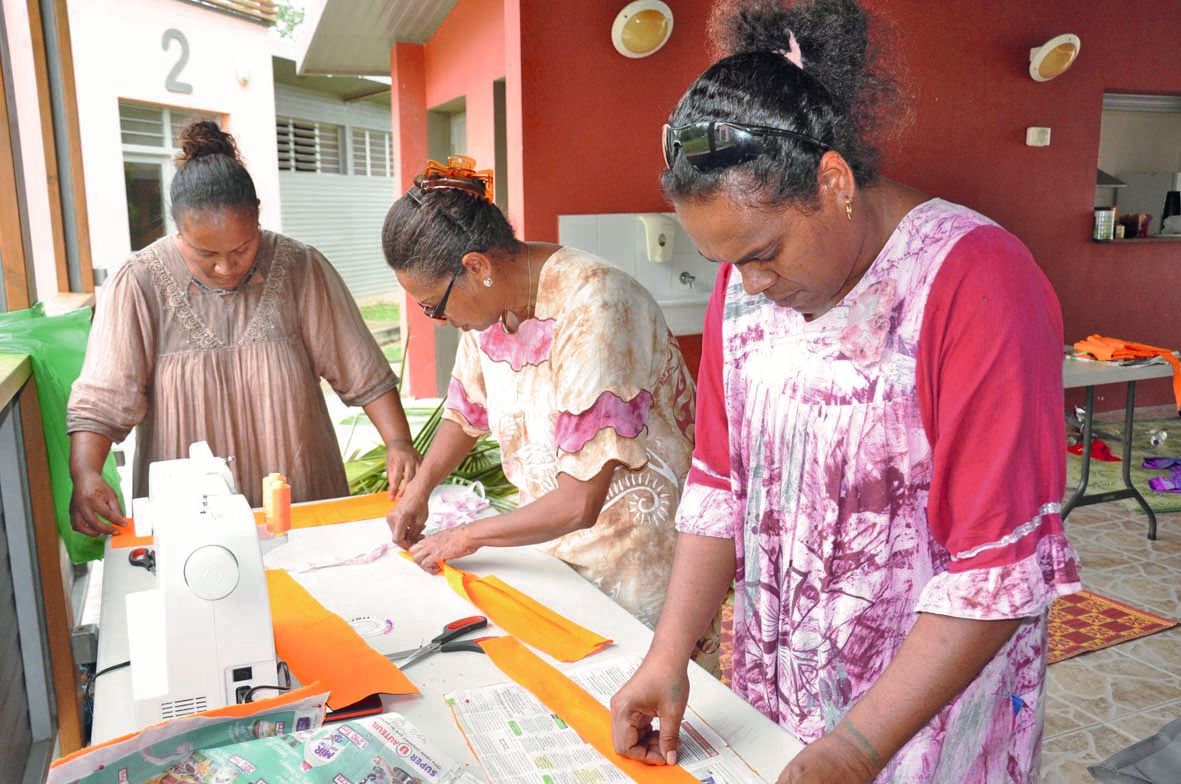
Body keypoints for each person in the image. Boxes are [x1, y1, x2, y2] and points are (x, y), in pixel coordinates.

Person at [609, 2, 1081, 782]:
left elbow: (997, 567)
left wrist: (857, 748)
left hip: (919, 720)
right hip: (777, 695)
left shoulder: (973, 281)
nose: (750, 285)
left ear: (832, 183)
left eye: (763, 252)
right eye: (727, 262)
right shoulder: (745, 287)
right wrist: (668, 656)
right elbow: (718, 485)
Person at [382, 156, 719, 671]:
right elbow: (466, 411)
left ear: (477, 268)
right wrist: (419, 489)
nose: (439, 320)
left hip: (635, 563)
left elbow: (580, 502)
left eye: (434, 305)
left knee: (636, 693)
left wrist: (464, 536)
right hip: (551, 551)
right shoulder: (489, 310)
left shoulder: (597, 306)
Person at [67, 121, 418, 535]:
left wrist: (398, 442)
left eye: (241, 249)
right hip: (191, 514)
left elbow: (360, 367)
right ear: (178, 228)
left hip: (299, 497)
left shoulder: (300, 267)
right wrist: (86, 473)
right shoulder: (138, 283)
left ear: (257, 214)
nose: (225, 267)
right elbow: (102, 398)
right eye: (205, 254)